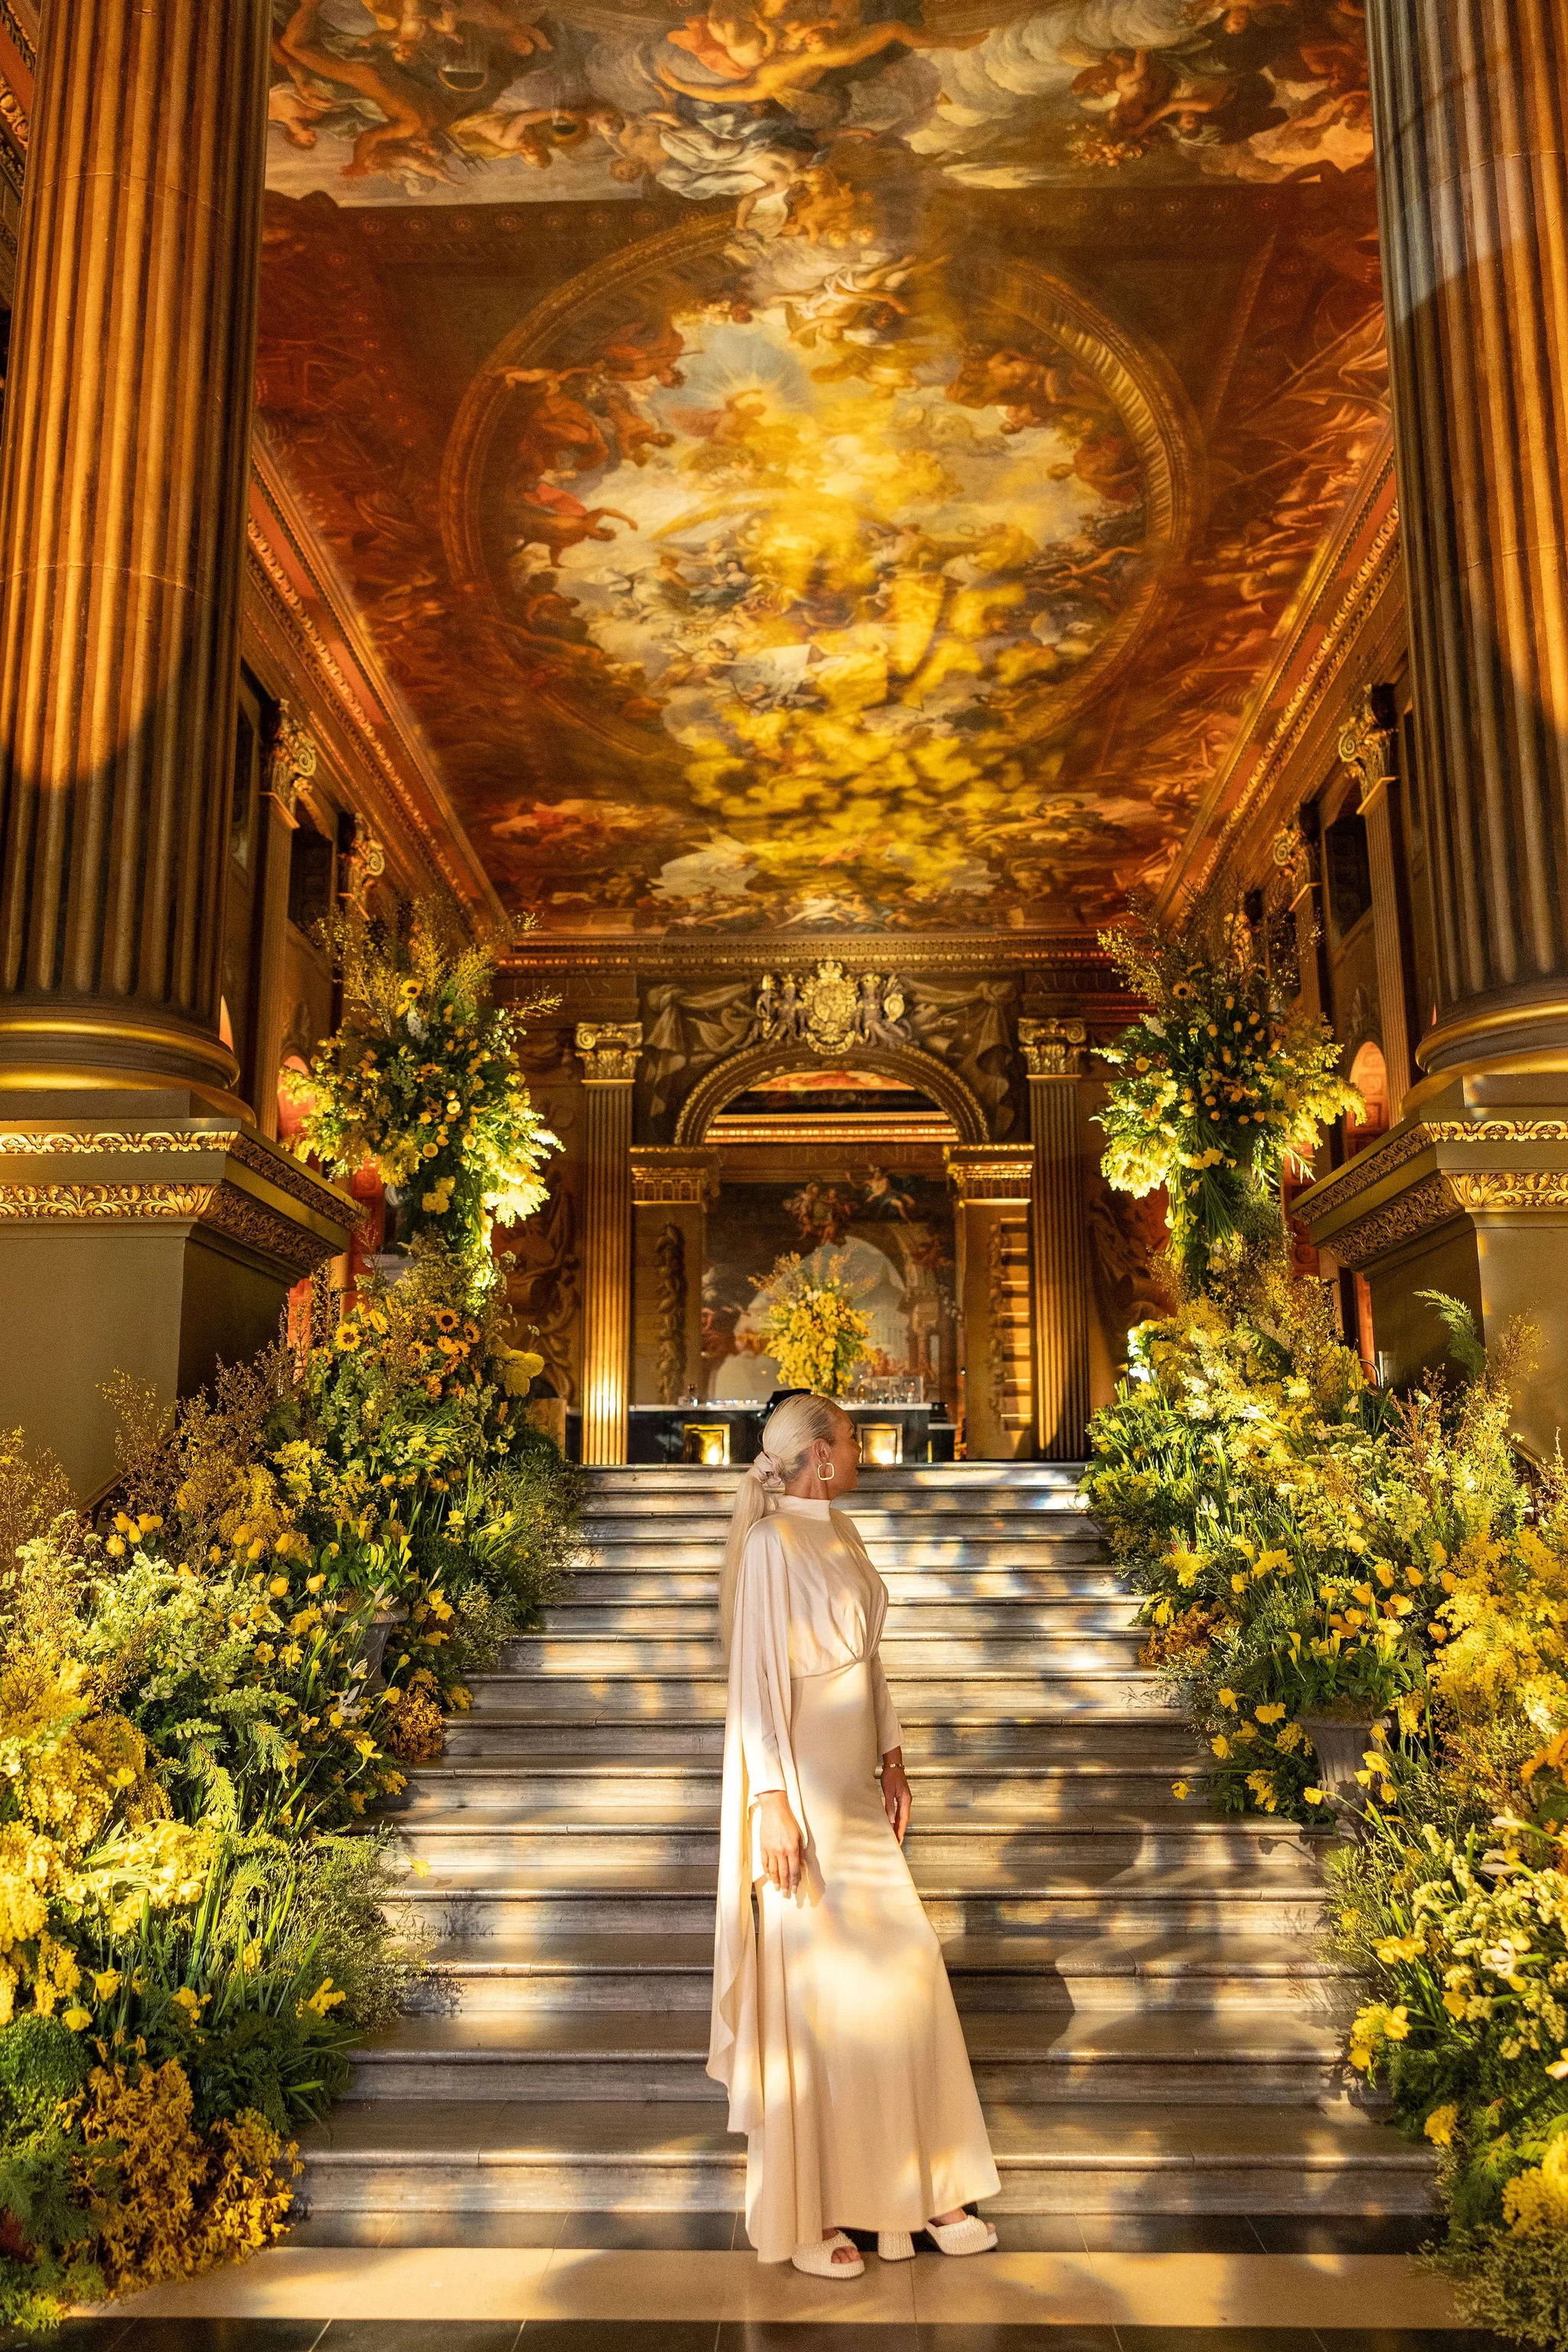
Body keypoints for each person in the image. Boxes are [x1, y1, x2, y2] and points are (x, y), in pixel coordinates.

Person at [709, 1390, 1000, 2275]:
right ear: (821, 1453)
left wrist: (893, 1758)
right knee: (821, 1999)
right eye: (850, 1436)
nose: (863, 1448)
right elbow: (756, 1679)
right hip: (800, 1784)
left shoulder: (843, 1531)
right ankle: (815, 2214)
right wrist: (770, 1801)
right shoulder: (770, 1543)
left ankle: (930, 2184)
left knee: (903, 1973)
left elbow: (869, 1662)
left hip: (855, 1787)